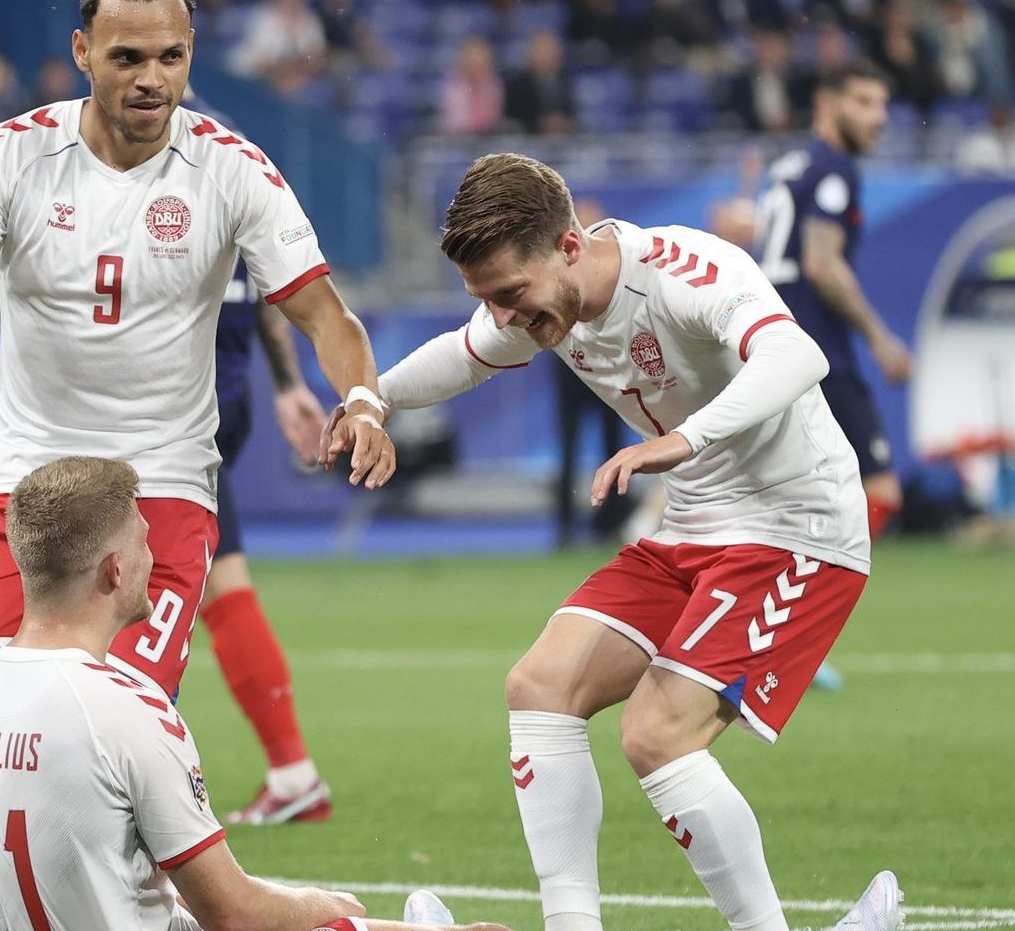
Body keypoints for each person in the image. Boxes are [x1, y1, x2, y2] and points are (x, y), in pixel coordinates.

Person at [0, 0, 395, 931]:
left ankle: (172, 913)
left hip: (162, 490)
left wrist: (362, 398)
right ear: (81, 55)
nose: (153, 79)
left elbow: (323, 312)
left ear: (191, 52)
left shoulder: (232, 168)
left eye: (172, 58)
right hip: (29, 482)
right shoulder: (14, 154)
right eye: (128, 58)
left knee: (115, 727)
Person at [328, 153, 901, 931]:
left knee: (657, 735)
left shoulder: (680, 269)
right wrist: (371, 401)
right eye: (486, 300)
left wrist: (684, 441)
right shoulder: (541, 303)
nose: (503, 319)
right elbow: (462, 357)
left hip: (794, 527)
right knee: (540, 686)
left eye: (509, 296)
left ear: (568, 245)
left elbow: (799, 355)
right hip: (694, 528)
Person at [0, 455, 506, 931]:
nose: (155, 561)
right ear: (113, 572)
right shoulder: (126, 709)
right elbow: (233, 914)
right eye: (144, 546)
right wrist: (327, 906)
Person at [185, 87, 332, 825]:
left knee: (109, 595)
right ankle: (293, 771)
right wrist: (287, 385)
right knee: (218, 580)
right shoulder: (233, 148)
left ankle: (135, 797)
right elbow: (267, 280)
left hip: (170, 407)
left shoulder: (141, 147)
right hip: (224, 394)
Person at [755, 63, 907, 549]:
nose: (878, 116)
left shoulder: (789, 164)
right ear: (827, 103)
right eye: (863, 103)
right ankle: (812, 592)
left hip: (767, 337)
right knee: (879, 488)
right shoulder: (834, 169)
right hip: (817, 349)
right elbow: (823, 265)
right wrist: (881, 340)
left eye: (882, 104)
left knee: (782, 493)